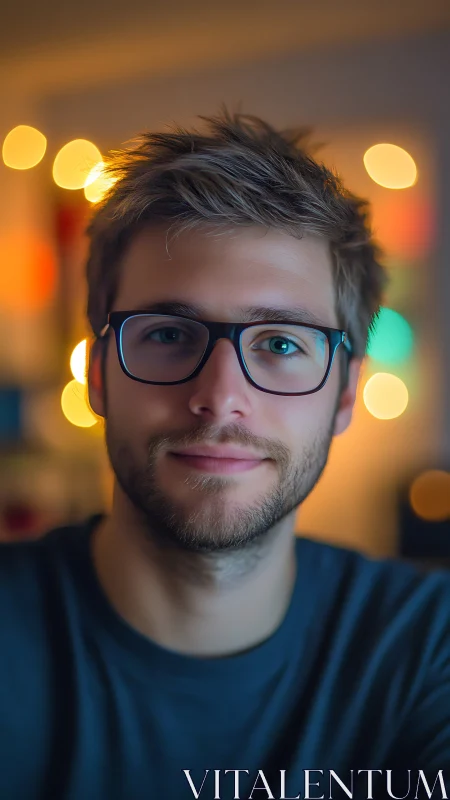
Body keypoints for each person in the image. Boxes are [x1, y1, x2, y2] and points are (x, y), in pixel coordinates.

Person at [1, 108, 449, 800]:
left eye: (279, 343)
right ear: (96, 375)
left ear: (344, 394)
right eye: (169, 334)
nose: (219, 398)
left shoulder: (429, 649)